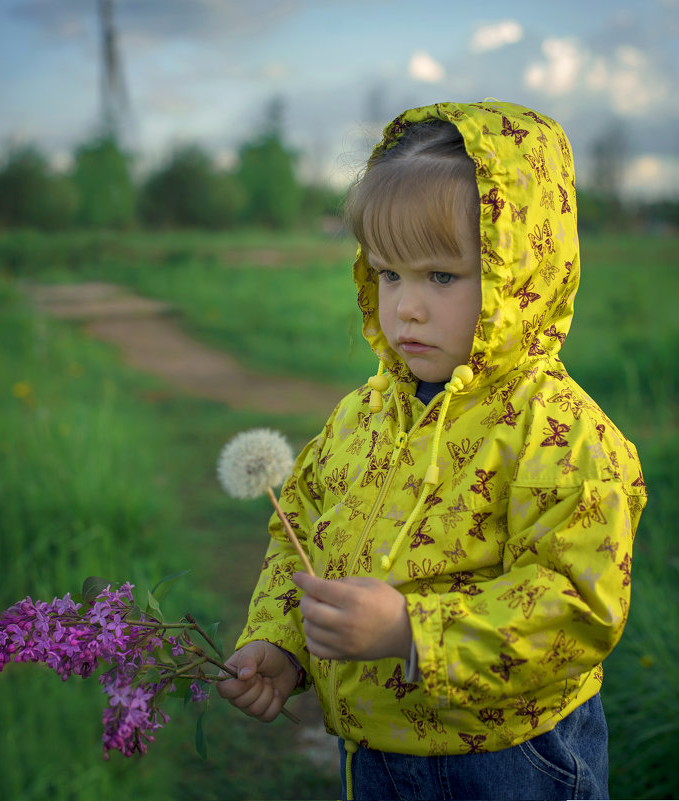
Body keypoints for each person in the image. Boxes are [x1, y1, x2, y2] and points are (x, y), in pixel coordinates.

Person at [216, 100, 647, 801]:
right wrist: (283, 640)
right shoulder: (363, 414)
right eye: (388, 274)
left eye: (440, 277)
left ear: (519, 275)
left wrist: (416, 631)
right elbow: (301, 536)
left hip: (507, 760)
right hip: (374, 752)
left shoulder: (560, 433)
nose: (405, 307)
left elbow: (577, 604)